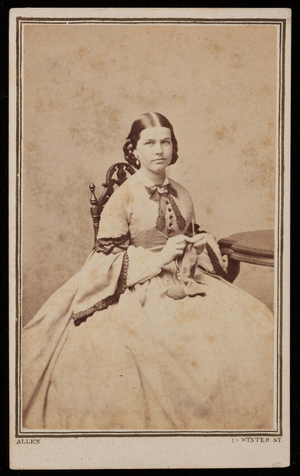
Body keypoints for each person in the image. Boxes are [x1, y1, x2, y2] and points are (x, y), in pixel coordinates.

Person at [22, 112, 274, 430]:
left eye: (165, 142)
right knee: (172, 346)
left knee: (256, 323)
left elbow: (191, 231)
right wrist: (159, 258)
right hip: (134, 287)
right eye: (150, 143)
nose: (159, 150)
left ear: (173, 147)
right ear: (134, 150)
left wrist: (196, 245)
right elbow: (105, 260)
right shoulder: (123, 197)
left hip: (185, 278)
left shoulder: (183, 192)